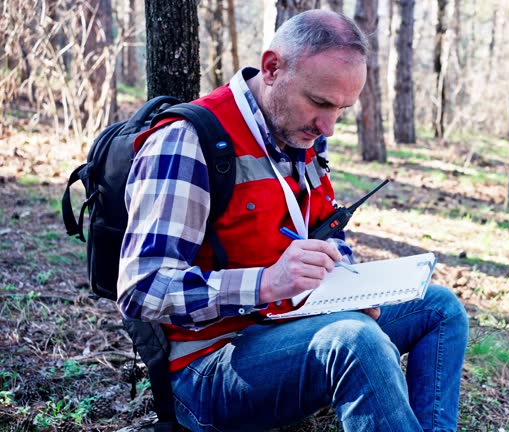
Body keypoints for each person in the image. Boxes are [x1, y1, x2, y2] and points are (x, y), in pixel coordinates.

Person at [117, 9, 468, 432]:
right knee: (356, 341)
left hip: (291, 324)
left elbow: (322, 234)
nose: (329, 127)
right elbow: (142, 289)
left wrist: (346, 285)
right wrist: (266, 282)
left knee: (439, 307)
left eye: (342, 109)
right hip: (207, 367)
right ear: (271, 68)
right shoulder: (186, 141)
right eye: (320, 103)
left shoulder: (299, 134)